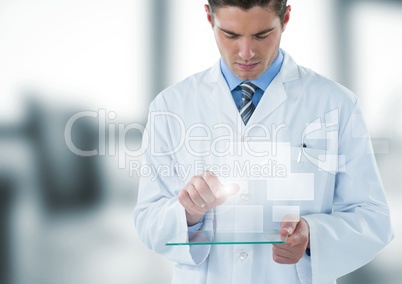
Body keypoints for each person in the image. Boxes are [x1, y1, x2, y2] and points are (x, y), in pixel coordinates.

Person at [133, 0, 393, 283]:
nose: (246, 53)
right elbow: (148, 220)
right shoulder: (171, 105)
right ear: (209, 17)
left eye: (262, 35)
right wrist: (188, 214)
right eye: (230, 35)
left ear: (286, 18)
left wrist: (313, 237)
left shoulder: (336, 104)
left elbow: (373, 219)